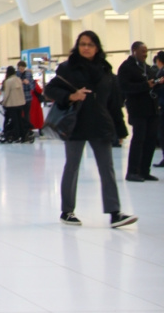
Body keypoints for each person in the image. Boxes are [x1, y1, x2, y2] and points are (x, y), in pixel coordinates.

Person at [46, 30, 135, 227]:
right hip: (75, 124)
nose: (86, 48)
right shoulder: (68, 68)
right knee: (72, 166)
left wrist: (120, 130)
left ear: (97, 48)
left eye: (90, 44)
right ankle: (67, 211)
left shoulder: (105, 70)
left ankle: (114, 212)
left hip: (100, 124)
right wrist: (71, 96)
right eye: (82, 44)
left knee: (107, 168)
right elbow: (50, 89)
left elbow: (113, 103)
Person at [117, 42, 158, 182]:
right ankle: (132, 171)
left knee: (151, 139)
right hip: (137, 109)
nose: (145, 54)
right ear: (134, 51)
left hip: (151, 108)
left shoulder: (146, 68)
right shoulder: (127, 67)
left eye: (146, 51)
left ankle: (144, 171)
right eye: (142, 51)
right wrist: (144, 85)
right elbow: (124, 87)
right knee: (139, 139)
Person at [0, 66, 29, 142]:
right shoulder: (18, 79)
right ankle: (22, 135)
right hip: (20, 104)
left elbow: (7, 94)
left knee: (14, 120)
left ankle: (16, 136)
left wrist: (3, 102)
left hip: (12, 104)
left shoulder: (8, 81)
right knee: (20, 120)